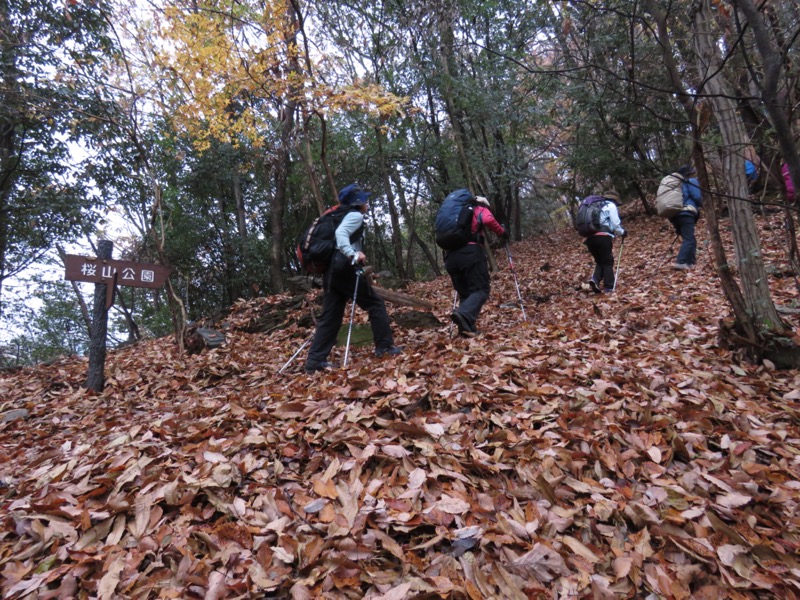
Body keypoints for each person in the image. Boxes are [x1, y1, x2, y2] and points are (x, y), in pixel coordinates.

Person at [304, 184, 401, 373]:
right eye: (365, 200)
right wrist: (353, 254)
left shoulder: (341, 216)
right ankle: (385, 346)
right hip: (344, 269)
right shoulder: (355, 216)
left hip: (332, 272)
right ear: (358, 203)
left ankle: (314, 361)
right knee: (375, 303)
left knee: (330, 318)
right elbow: (341, 235)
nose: (367, 203)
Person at [446, 195, 507, 337]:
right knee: (481, 289)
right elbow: (488, 219)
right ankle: (463, 313)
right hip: (470, 253)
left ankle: (467, 330)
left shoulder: (455, 214)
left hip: (450, 257)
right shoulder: (478, 209)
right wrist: (502, 232)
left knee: (465, 293)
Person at [585, 190, 626, 294]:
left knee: (600, 261)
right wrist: (622, 232)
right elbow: (615, 223)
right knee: (608, 262)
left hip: (589, 238)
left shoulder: (594, 206)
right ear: (614, 199)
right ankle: (609, 287)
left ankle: (595, 280)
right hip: (603, 237)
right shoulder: (610, 205)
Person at [671, 165, 702, 270]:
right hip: (686, 213)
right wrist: (704, 205)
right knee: (689, 239)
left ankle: (691, 263)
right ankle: (681, 262)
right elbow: (697, 196)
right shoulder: (691, 181)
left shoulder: (677, 185)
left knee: (689, 238)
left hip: (674, 215)